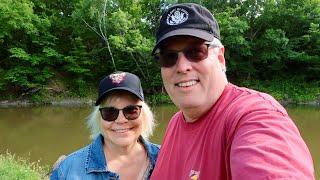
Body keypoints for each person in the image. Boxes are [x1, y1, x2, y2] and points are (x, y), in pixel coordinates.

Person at [150, 3, 315, 180]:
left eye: (196, 52)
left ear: (220, 58)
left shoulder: (255, 116)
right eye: (169, 57)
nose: (182, 67)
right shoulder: (176, 122)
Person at [50, 71, 160, 179]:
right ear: (99, 118)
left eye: (131, 110)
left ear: (144, 114)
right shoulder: (67, 170)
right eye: (110, 112)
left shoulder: (170, 157)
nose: (121, 120)